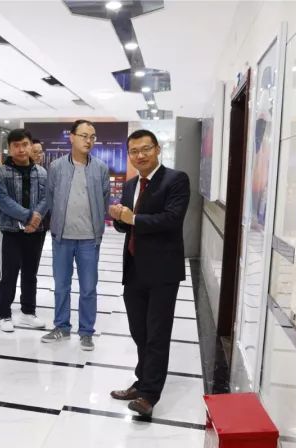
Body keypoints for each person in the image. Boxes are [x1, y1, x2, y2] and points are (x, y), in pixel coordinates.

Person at [108, 129, 190, 417]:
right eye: (134, 151)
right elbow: (127, 226)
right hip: (134, 269)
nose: (140, 155)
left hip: (163, 271)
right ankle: (141, 381)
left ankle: (149, 395)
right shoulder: (131, 184)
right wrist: (119, 218)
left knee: (157, 333)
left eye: (146, 149)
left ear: (157, 149)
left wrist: (133, 218)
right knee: (139, 331)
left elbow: (172, 219)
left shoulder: (176, 180)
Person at [41, 120, 110, 351]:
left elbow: (105, 199)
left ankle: (86, 332)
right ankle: (61, 326)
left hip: (90, 239)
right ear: (71, 137)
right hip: (62, 237)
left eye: (92, 136)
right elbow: (50, 197)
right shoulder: (56, 167)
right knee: (61, 286)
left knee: (88, 287)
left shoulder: (100, 168)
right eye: (84, 135)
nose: (88, 140)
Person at [0, 129, 48, 332]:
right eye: (16, 145)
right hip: (11, 231)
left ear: (30, 145)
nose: (21, 149)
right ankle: (4, 314)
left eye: (25, 144)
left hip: (36, 231)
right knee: (8, 273)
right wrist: (29, 216)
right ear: (9, 148)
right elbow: (2, 200)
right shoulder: (0, 172)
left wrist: (36, 219)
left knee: (30, 273)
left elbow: (46, 198)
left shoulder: (41, 172)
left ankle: (28, 312)